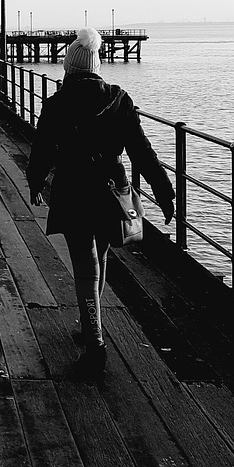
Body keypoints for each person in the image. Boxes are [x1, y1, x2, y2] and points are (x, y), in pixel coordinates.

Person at [26, 28, 174, 379]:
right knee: (101, 256)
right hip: (110, 190)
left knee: (84, 264)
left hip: (75, 189)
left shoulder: (57, 103)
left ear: (69, 68)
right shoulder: (120, 99)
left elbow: (43, 149)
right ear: (97, 66)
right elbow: (142, 151)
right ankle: (93, 325)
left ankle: (95, 345)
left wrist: (35, 182)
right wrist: (164, 191)